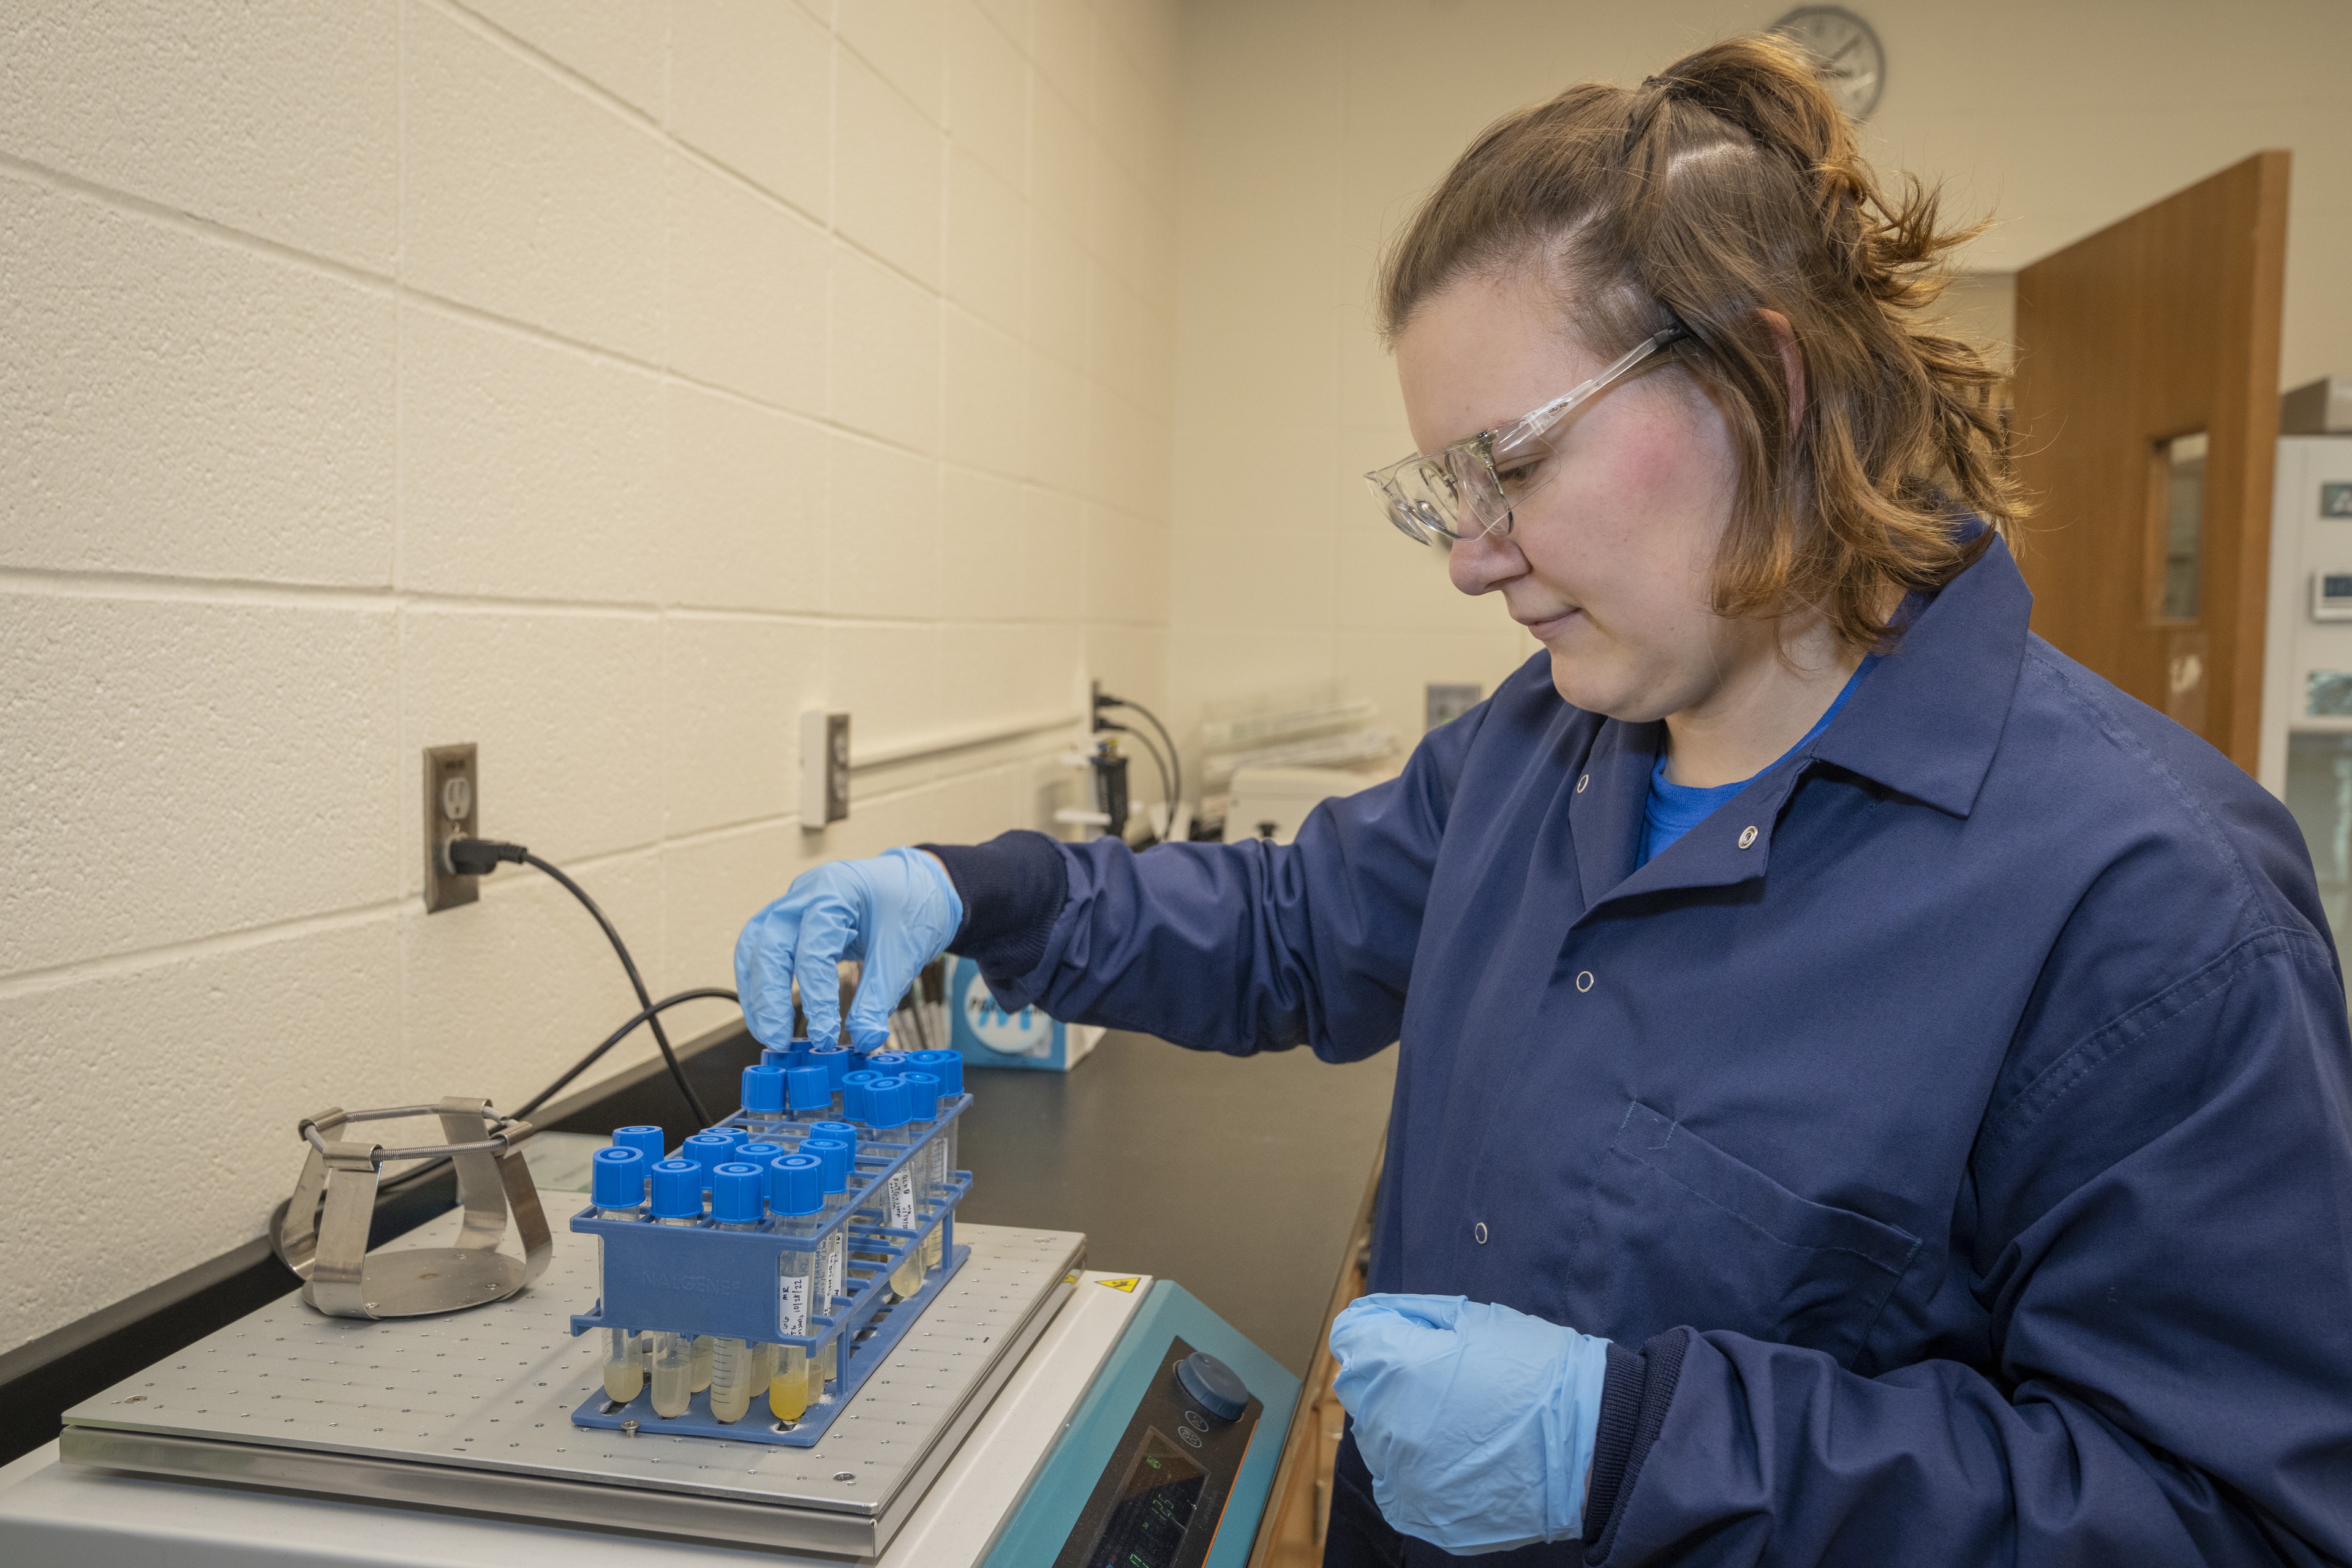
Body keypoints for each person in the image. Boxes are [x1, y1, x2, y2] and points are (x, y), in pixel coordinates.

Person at [735, 36, 2352, 1567]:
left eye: (1511, 465)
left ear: (1763, 383)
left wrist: (1633, 1445)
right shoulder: (1551, 741)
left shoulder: (2154, 904)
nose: (1470, 552)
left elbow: (2220, 1517)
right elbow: (1297, 927)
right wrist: (976, 893)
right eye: (1445, 491)